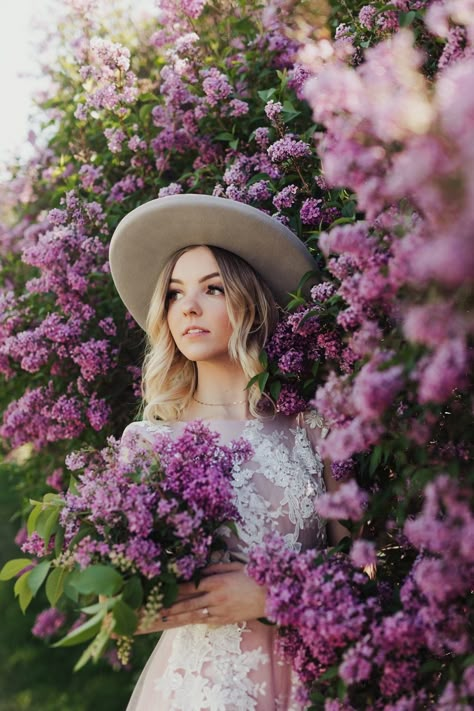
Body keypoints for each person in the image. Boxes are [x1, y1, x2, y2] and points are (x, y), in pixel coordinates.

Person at [109, 194, 347, 711]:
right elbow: (118, 609)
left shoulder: (314, 429)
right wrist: (144, 600)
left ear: (251, 301)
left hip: (314, 682)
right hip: (199, 691)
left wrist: (276, 592)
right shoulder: (148, 445)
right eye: (174, 294)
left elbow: (366, 567)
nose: (188, 307)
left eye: (212, 288)